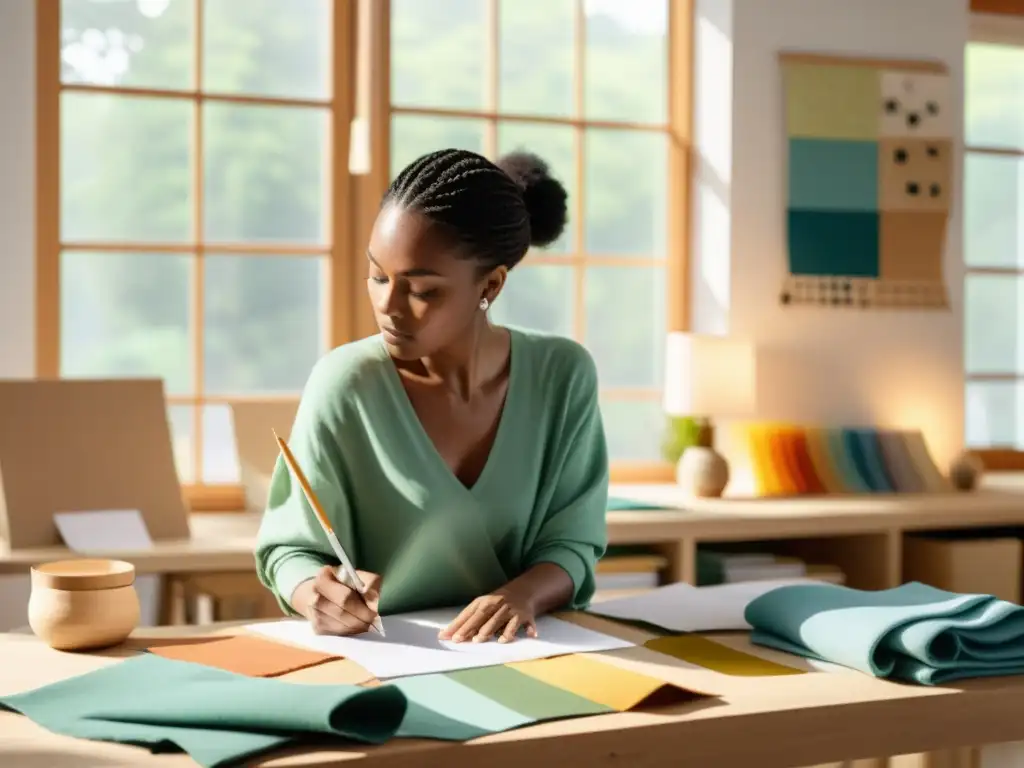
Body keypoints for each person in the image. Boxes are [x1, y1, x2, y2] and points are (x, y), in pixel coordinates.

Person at [254, 148, 609, 644]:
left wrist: (520, 595)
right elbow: (289, 552)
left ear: (491, 284)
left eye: (422, 291)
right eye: (378, 276)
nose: (387, 306)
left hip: (530, 652)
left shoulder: (563, 376)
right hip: (384, 661)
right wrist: (313, 593)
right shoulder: (344, 384)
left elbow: (573, 543)